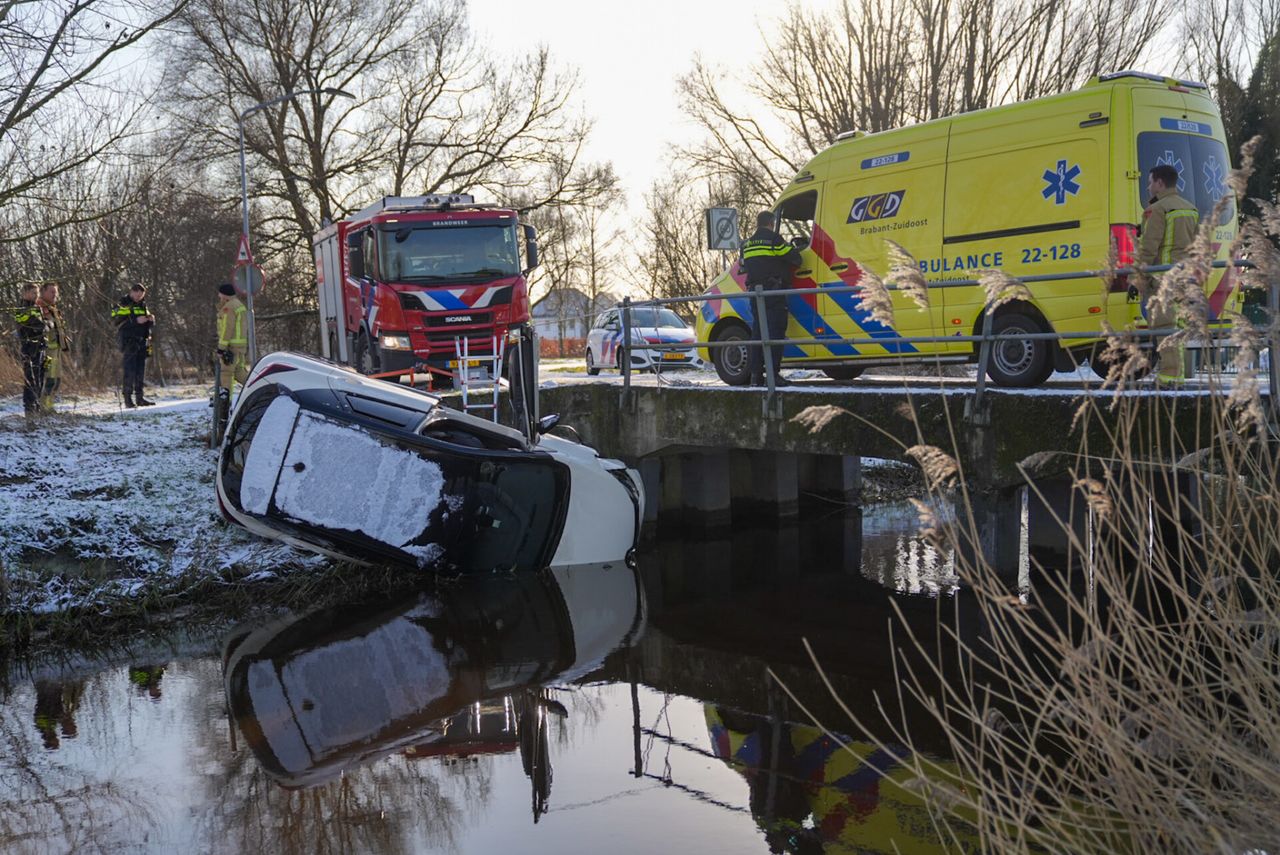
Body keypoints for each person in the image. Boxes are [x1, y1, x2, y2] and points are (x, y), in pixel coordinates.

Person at [1135, 163, 1199, 383]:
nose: (1148, 187)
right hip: (1186, 276)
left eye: (1150, 182)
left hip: (1163, 277)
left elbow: (1149, 247)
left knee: (1164, 327)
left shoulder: (1157, 209)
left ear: (1160, 183)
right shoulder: (1190, 208)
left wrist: (1140, 276)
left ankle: (1168, 376)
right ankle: (1177, 374)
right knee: (1179, 327)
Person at [738, 211, 802, 386]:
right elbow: (796, 259)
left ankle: (756, 376)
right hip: (774, 293)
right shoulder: (774, 240)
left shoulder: (747, 244)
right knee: (775, 332)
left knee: (758, 333)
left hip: (755, 293)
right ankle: (773, 376)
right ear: (771, 223)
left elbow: (742, 266)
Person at [111, 283, 156, 407]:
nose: (138, 298)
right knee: (129, 371)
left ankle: (140, 398)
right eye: (136, 296)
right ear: (131, 292)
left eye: (141, 296)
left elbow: (146, 324)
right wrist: (135, 321)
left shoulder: (143, 304)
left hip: (142, 341)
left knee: (140, 371)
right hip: (129, 341)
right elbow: (116, 322)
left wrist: (151, 320)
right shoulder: (123, 303)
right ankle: (127, 399)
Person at [13, 283, 46, 416]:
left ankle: (37, 405)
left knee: (39, 378)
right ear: (25, 293)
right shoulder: (22, 308)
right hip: (28, 347)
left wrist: (44, 325)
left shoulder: (36, 307)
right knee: (30, 379)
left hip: (39, 346)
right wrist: (43, 325)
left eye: (37, 293)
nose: (36, 295)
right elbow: (35, 325)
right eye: (33, 293)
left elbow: (44, 326)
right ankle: (29, 408)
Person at [37, 282, 68, 412]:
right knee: (48, 378)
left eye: (56, 292)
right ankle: (44, 407)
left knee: (56, 379)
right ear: (42, 292)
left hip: (56, 350)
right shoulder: (40, 307)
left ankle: (49, 406)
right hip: (47, 351)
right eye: (51, 291)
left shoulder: (52, 307)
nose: (55, 294)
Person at [216, 282, 248, 395]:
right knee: (239, 372)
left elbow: (227, 329)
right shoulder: (239, 305)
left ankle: (225, 403)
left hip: (231, 347)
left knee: (226, 374)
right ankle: (260, 388)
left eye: (220, 294)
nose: (219, 296)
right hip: (240, 346)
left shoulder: (228, 307)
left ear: (224, 295)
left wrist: (221, 348)